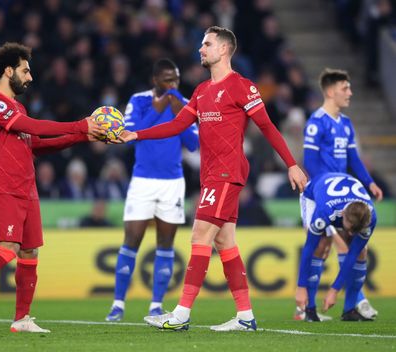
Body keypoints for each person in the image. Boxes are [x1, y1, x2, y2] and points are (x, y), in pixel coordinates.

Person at [115, 26, 307, 331]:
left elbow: (268, 127)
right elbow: (177, 125)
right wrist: (135, 134)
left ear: (224, 50)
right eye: (202, 44)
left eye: (207, 44)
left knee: (199, 235)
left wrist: (291, 164)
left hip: (227, 173)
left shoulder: (242, 86)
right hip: (211, 175)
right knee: (224, 241)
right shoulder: (202, 91)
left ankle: (180, 314)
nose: (200, 49)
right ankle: (245, 317)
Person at [0, 42, 106, 334]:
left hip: (27, 188)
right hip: (3, 186)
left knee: (29, 252)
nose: (30, 77)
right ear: (8, 71)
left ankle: (21, 319)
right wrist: (80, 125)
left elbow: (39, 144)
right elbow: (34, 127)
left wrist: (85, 136)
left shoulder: (17, 107)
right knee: (7, 249)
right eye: (25, 70)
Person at [105, 58, 199, 322]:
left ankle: (156, 305)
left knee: (165, 245)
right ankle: (118, 305)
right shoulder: (139, 100)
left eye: (176, 80)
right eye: (168, 80)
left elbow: (193, 143)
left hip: (173, 183)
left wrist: (181, 113)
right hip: (143, 181)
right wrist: (159, 108)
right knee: (131, 241)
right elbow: (130, 133)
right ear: (155, 80)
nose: (173, 85)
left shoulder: (183, 102)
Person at [298, 68, 382, 321]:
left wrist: (369, 182)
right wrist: (328, 182)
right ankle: (306, 308)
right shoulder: (316, 122)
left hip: (345, 192)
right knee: (320, 245)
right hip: (321, 194)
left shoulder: (345, 124)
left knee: (360, 250)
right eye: (345, 88)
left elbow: (353, 159)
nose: (350, 93)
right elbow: (310, 162)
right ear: (331, 91)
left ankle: (350, 307)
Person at [296, 172, 377, 321]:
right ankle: (310, 310)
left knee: (361, 253)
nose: (351, 233)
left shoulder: (370, 217)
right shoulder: (325, 213)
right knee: (319, 247)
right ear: (343, 215)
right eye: (349, 228)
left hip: (340, 189)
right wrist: (300, 287)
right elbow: (308, 248)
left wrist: (334, 290)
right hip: (313, 196)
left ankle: (349, 310)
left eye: (355, 230)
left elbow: (352, 254)